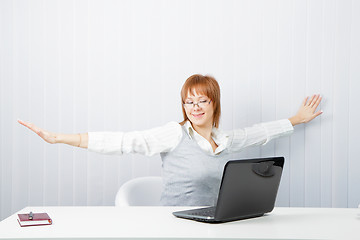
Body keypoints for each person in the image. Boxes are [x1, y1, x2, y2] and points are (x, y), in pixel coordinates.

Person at [18, 74, 323, 206]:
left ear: (214, 104)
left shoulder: (225, 139)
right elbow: (124, 141)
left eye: (202, 101)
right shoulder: (174, 134)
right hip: (175, 224)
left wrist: (296, 119)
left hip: (214, 225)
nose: (195, 108)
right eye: (189, 103)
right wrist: (57, 138)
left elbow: (259, 132)